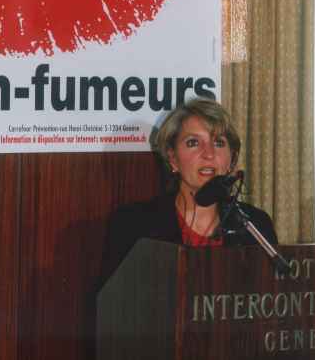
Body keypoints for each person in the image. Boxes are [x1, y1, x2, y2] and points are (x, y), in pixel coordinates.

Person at [99, 97, 277, 285]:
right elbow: (114, 299)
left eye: (219, 143)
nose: (209, 154)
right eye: (193, 142)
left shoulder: (256, 225)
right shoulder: (133, 224)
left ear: (231, 159)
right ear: (172, 158)